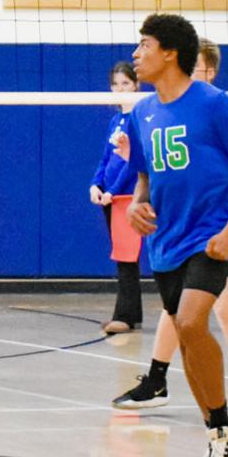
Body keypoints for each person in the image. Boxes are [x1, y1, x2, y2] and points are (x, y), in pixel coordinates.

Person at [109, 14, 228, 457]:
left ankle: (224, 436)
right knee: (185, 335)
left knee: (195, 323)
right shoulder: (142, 113)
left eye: (145, 45)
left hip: (209, 236)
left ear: (170, 53)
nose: (136, 54)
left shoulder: (215, 104)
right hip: (166, 241)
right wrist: (136, 205)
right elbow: (144, 176)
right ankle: (218, 435)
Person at [131, 39, 228, 421]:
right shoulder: (156, 110)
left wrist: (227, 223)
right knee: (179, 312)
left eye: (199, 68)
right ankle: (159, 379)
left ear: (211, 70)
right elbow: (153, 172)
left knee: (223, 308)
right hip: (184, 229)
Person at [93, 61, 142, 335]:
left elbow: (133, 162)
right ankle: (131, 313)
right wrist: (96, 184)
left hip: (127, 197)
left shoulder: (138, 119)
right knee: (123, 256)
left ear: (136, 85)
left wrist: (113, 191)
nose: (121, 89)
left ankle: (124, 317)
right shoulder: (116, 120)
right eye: (116, 84)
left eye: (126, 83)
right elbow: (106, 158)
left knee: (126, 256)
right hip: (110, 197)